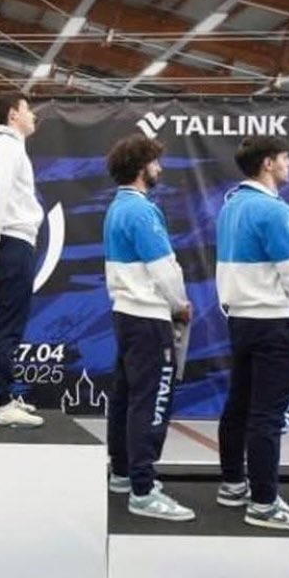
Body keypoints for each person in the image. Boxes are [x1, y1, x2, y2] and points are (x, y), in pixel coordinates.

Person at [215, 136, 289, 531]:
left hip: (241, 319)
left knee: (240, 405)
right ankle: (263, 503)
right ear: (267, 164)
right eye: (285, 158)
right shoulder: (274, 211)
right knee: (266, 415)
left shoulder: (231, 207)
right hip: (273, 321)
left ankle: (232, 484)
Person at [103, 133, 194, 521]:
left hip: (127, 314)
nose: (159, 169)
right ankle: (143, 489)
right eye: (155, 162)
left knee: (127, 396)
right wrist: (180, 305)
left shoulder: (116, 207)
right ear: (142, 168)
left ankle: (123, 473)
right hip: (148, 316)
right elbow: (164, 271)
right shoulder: (141, 211)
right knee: (150, 399)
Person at [0, 93, 45, 428]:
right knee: (6, 326)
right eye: (28, 110)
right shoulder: (6, 147)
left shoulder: (10, 147)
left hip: (15, 242)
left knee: (7, 324)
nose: (34, 115)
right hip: (12, 242)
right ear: (13, 114)